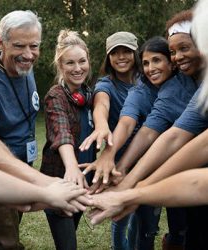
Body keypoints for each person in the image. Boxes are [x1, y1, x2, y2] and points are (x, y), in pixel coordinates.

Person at [0, 8, 89, 250]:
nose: (29, 55)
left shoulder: (25, 68)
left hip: (21, 170)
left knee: (8, 234)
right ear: (2, 42)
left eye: (34, 46)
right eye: (20, 46)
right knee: (7, 244)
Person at [89, 8, 208, 250]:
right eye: (174, 51)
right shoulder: (146, 89)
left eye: (184, 48)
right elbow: (152, 130)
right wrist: (119, 169)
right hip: (184, 176)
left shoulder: (186, 82)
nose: (178, 57)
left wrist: (134, 189)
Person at [80, 31, 140, 250]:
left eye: (126, 51)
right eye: (115, 53)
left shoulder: (147, 81)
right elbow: (101, 106)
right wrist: (102, 126)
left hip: (148, 156)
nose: (121, 57)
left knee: (146, 219)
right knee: (120, 215)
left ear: (136, 54)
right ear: (108, 57)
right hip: (118, 158)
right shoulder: (106, 85)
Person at [40, 29, 96, 250]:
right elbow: (61, 131)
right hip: (61, 182)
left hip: (83, 182)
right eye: (70, 63)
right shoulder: (56, 95)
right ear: (60, 66)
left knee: (70, 234)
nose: (78, 68)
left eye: (82, 61)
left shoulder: (90, 95)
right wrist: (72, 167)